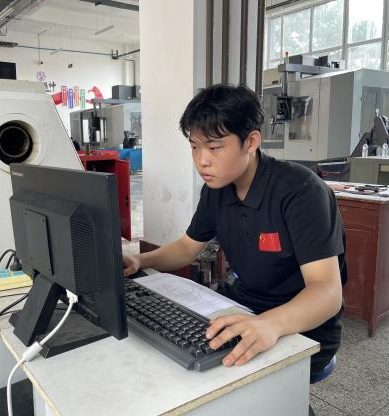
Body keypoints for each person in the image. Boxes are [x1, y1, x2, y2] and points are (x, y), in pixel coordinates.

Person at [123, 84, 347, 384]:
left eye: (214, 147)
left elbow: (327, 292)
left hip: (304, 325)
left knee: (222, 383)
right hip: (244, 305)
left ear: (251, 141)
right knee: (175, 359)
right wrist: (140, 260)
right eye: (194, 147)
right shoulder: (216, 190)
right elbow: (187, 247)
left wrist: (270, 324)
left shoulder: (301, 191)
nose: (202, 160)